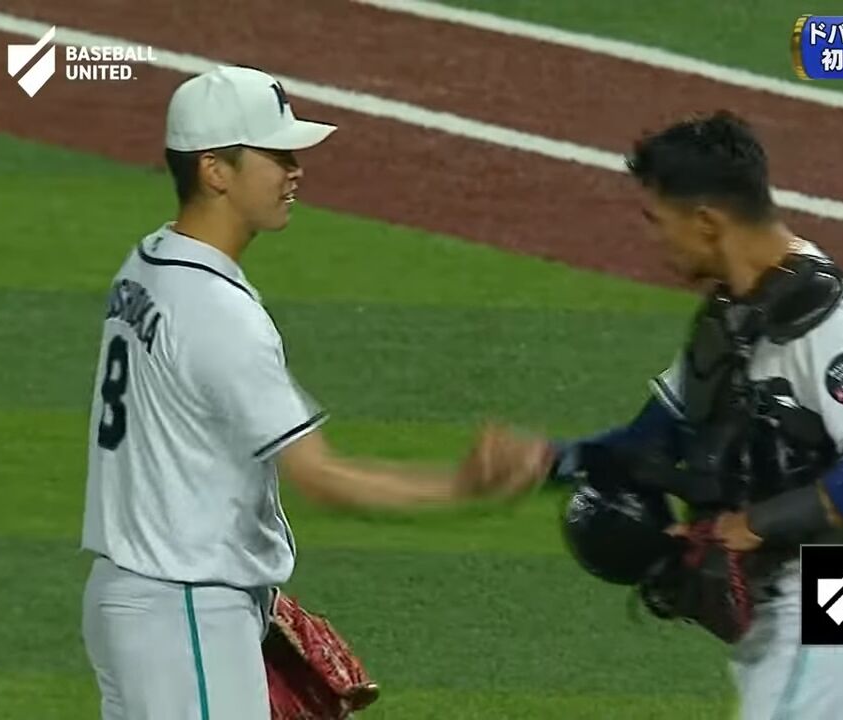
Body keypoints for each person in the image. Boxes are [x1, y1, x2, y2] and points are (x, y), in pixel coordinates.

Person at [79, 65, 551, 720]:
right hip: (187, 608)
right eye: (276, 156)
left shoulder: (146, 263)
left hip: (130, 598)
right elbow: (321, 476)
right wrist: (460, 486)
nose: (295, 170)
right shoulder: (220, 313)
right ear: (215, 170)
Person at [551, 110, 843, 719]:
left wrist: (759, 521)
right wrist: (553, 461)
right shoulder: (731, 316)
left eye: (658, 220)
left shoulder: (827, 322)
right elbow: (651, 440)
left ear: (707, 221)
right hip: (787, 613)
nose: (656, 239)